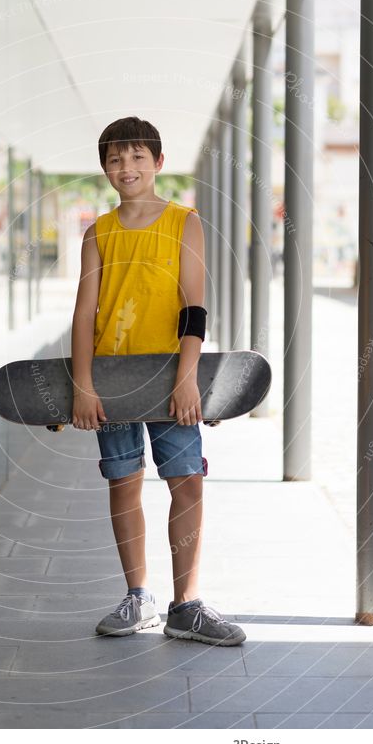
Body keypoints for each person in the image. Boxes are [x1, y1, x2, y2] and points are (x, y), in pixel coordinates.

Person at [70, 115, 246, 646]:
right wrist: (83, 383)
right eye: (116, 159)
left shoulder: (184, 222)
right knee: (123, 482)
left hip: (172, 376)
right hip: (112, 377)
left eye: (137, 157)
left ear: (158, 163)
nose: (127, 168)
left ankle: (186, 604)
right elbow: (84, 314)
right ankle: (137, 596)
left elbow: (195, 309)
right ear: (104, 169)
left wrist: (187, 378)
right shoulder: (98, 232)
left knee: (186, 481)